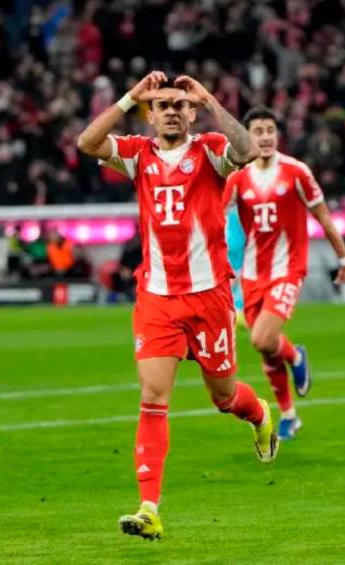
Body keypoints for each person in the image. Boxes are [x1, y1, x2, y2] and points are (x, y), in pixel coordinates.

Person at [77, 71, 274, 540]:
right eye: (161, 104)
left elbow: (246, 152)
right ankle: (149, 507)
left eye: (179, 104)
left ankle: (260, 415)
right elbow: (87, 142)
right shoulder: (136, 154)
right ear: (150, 113)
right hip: (157, 297)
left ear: (191, 113)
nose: (170, 110)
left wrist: (208, 97)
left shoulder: (209, 149)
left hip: (209, 296)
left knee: (224, 398)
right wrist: (128, 97)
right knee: (152, 397)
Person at [224, 107, 345, 440]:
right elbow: (214, 217)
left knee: (261, 338)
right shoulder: (238, 177)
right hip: (253, 273)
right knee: (265, 348)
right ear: (247, 136)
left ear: (278, 134)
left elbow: (324, 218)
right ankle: (289, 415)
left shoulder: (296, 172)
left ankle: (296, 355)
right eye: (257, 131)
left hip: (288, 270)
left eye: (270, 129)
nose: (265, 136)